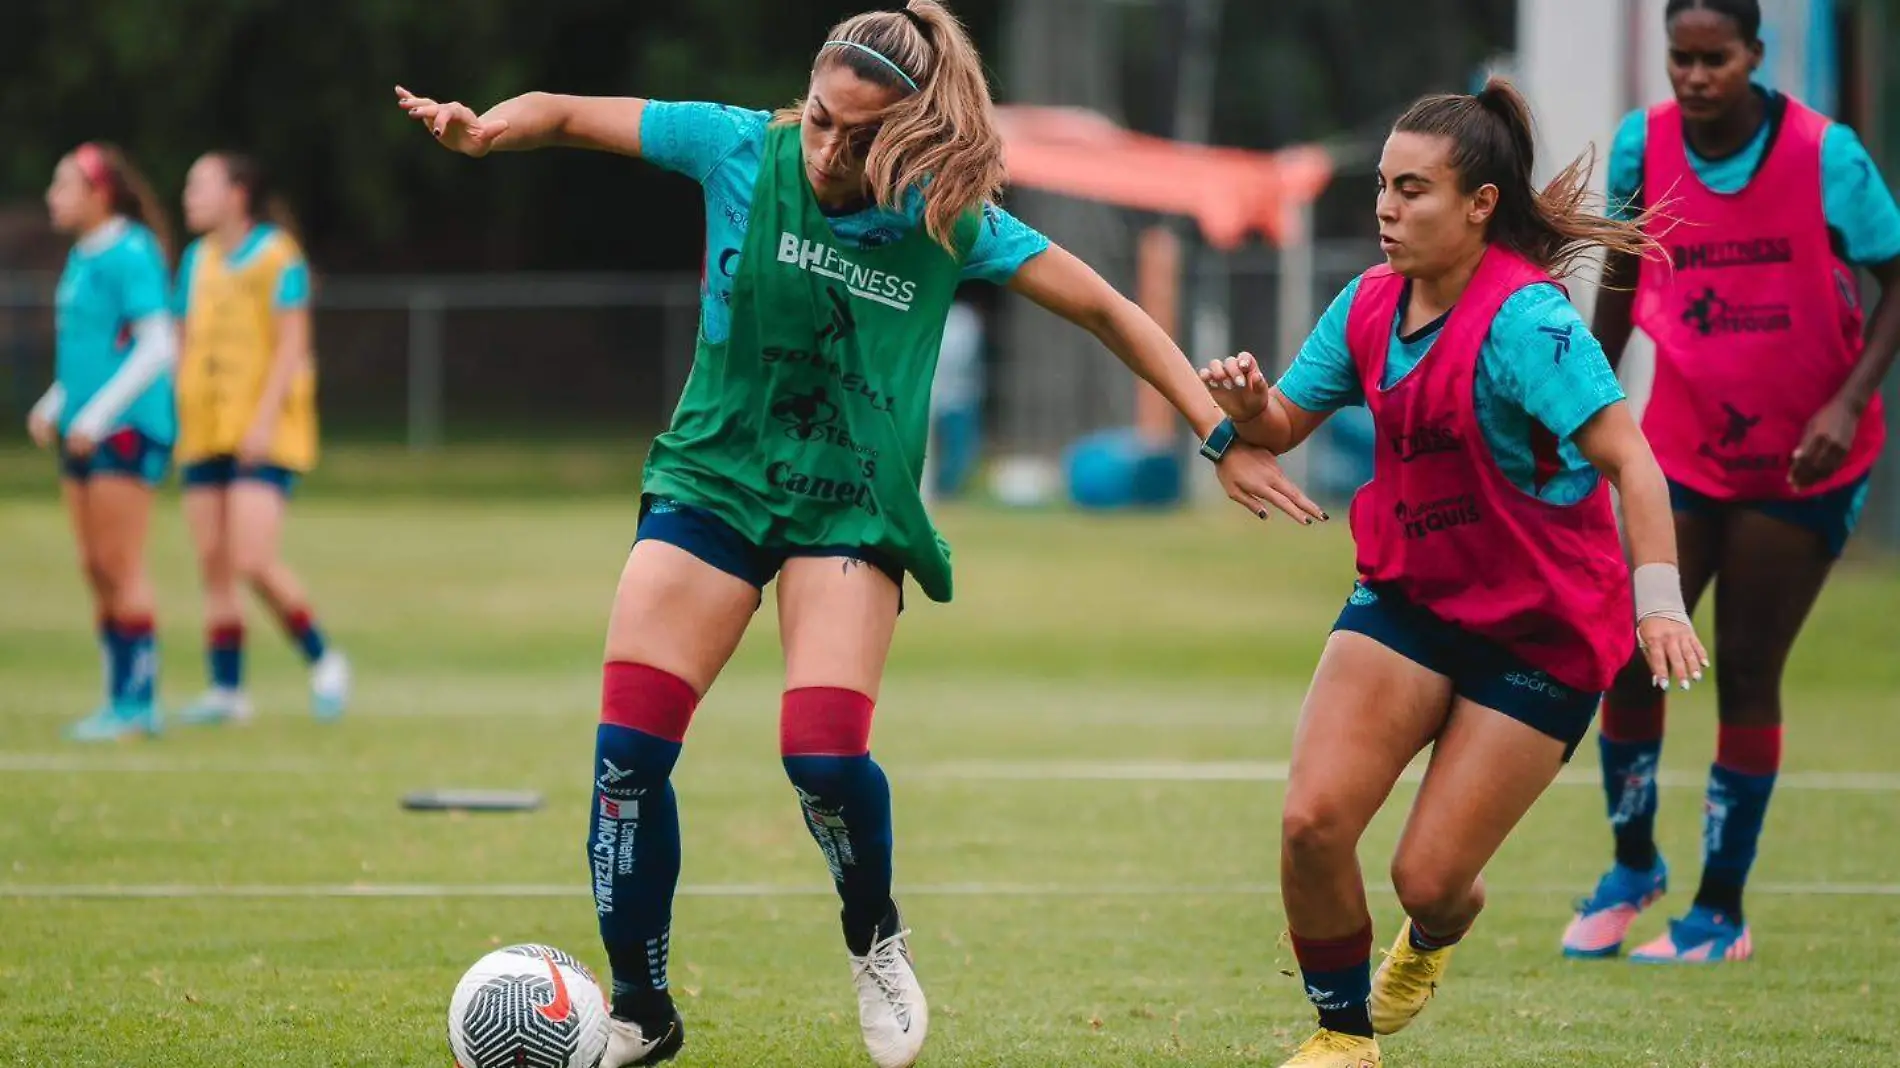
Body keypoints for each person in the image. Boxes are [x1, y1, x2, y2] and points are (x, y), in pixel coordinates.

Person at [395, 3, 1322, 1065]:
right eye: (824, 120)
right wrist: (487, 131)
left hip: (850, 506)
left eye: (862, 133)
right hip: (712, 483)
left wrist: (1219, 436)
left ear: (913, 132)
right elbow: (563, 110)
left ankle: (872, 936)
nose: (832, 148)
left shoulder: (947, 220)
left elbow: (1109, 308)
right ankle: (640, 1013)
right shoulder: (742, 145)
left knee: (823, 759)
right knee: (626, 763)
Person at [1200, 77, 1708, 1067]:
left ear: (1479, 205)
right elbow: (1282, 427)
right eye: (1383, 188)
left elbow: (1631, 463)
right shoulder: (1367, 304)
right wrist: (1249, 405)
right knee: (1310, 823)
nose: (1386, 209)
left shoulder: (1531, 327)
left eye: (1414, 190)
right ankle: (1342, 1039)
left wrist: (1658, 604)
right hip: (1409, 600)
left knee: (1427, 880)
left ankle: (1435, 926)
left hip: (1542, 631)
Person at [1561, 0, 1900, 964]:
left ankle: (1719, 913)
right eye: (1682, 58)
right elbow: (1621, 282)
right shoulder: (1644, 146)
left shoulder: (1825, 155)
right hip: (1685, 449)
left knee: (1744, 670)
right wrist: (1580, 406)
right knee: (1631, 651)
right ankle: (1633, 869)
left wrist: (1844, 405)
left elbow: (1896, 278)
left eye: (1717, 58)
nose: (1697, 76)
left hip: (1804, 461)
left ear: (1756, 56)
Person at [170, 151, 351, 726]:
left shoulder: (278, 257)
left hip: (263, 433)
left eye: (201, 184)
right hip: (205, 427)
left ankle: (324, 660)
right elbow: (181, 340)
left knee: (252, 559)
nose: (189, 196)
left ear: (238, 192)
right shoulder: (196, 259)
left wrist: (264, 419)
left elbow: (294, 345)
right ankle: (227, 692)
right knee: (215, 564)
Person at [26, 143, 179, 742]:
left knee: (122, 563)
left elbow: (156, 347)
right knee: (95, 567)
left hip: (125, 428)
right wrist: (57, 403)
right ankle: (116, 698)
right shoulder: (83, 257)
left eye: (64, 186)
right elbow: (93, 352)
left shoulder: (130, 251)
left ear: (100, 194)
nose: (52, 198)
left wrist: (97, 414)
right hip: (86, 429)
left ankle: (140, 703)